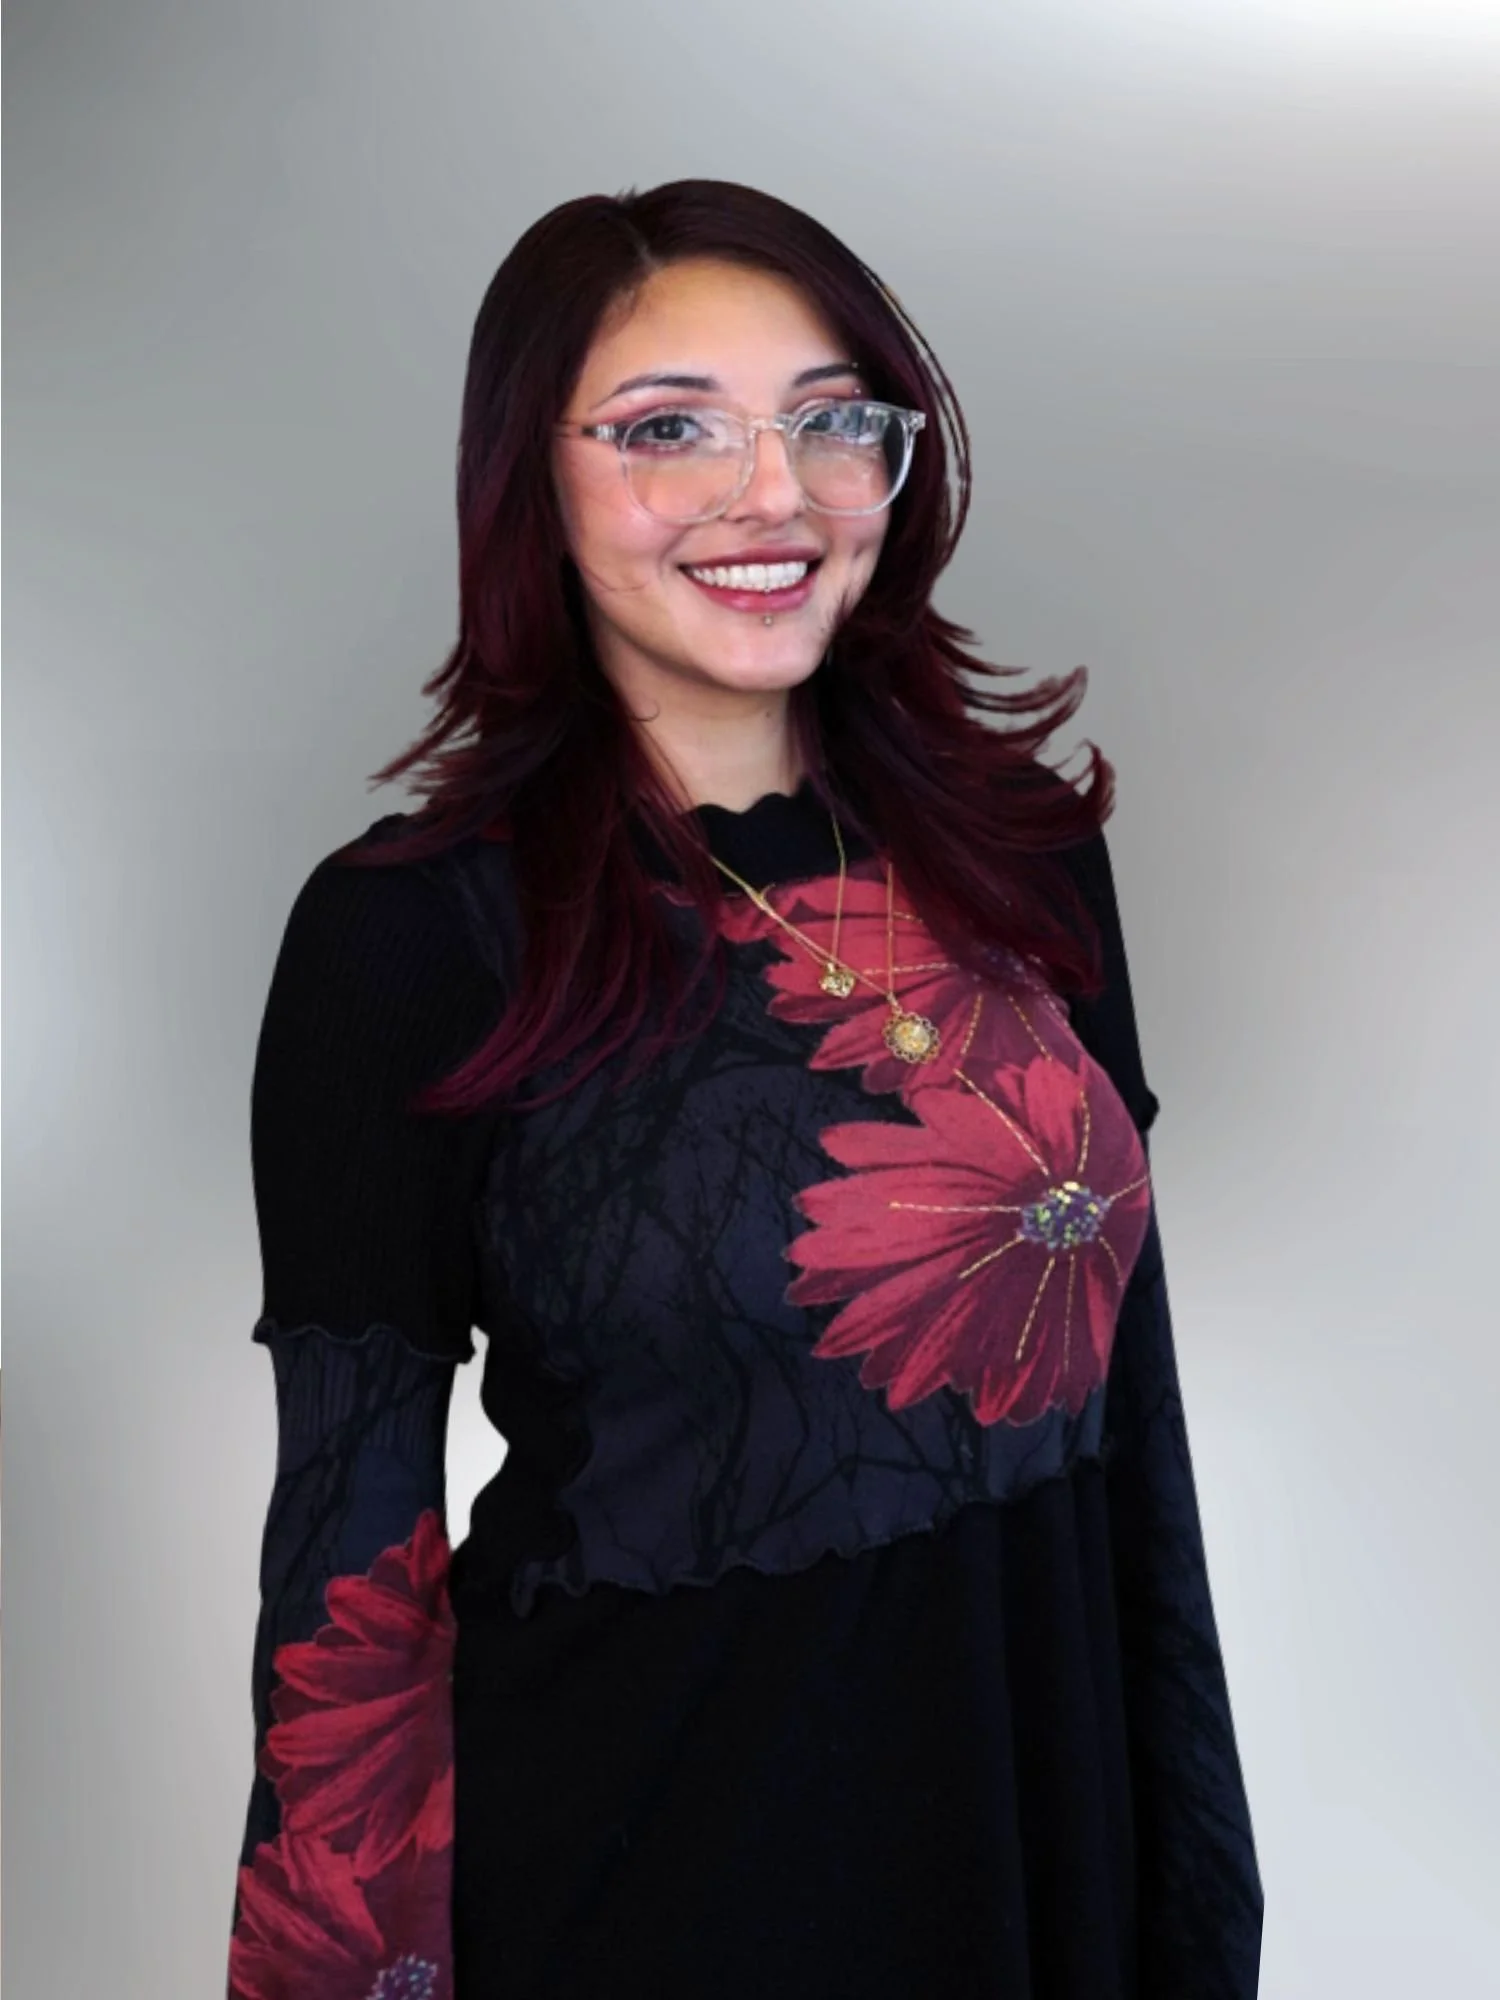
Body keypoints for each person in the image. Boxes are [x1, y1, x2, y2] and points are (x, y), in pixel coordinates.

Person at [225, 178, 1263, 2000]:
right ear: (530, 480)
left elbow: (1135, 1427)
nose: (771, 492)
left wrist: (1195, 1897)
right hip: (642, 1884)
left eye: (828, 422)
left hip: (1039, 1853)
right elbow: (345, 1565)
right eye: (669, 430)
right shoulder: (410, 938)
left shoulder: (1025, 860)